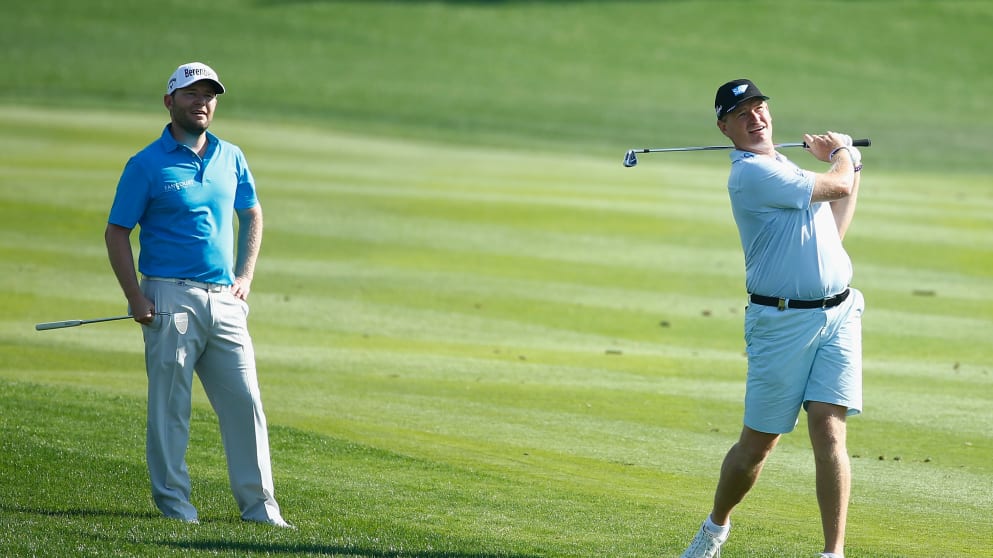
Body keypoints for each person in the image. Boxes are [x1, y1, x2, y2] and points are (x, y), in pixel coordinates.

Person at [680, 79, 865, 558]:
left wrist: (852, 163)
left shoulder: (784, 166)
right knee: (757, 447)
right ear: (724, 127)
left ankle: (833, 553)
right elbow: (838, 181)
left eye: (760, 108)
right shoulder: (750, 175)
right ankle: (715, 528)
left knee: (829, 427)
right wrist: (841, 153)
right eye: (742, 114)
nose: (756, 118)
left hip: (840, 312)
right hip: (781, 325)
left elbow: (836, 223)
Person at [105, 61, 291, 528]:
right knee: (171, 408)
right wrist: (135, 297)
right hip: (169, 299)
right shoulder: (146, 164)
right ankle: (176, 507)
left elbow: (253, 214)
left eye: (209, 94)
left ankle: (261, 509)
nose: (201, 102)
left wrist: (245, 276)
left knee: (246, 403)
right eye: (191, 94)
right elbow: (116, 233)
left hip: (225, 301)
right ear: (170, 101)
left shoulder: (231, 156)